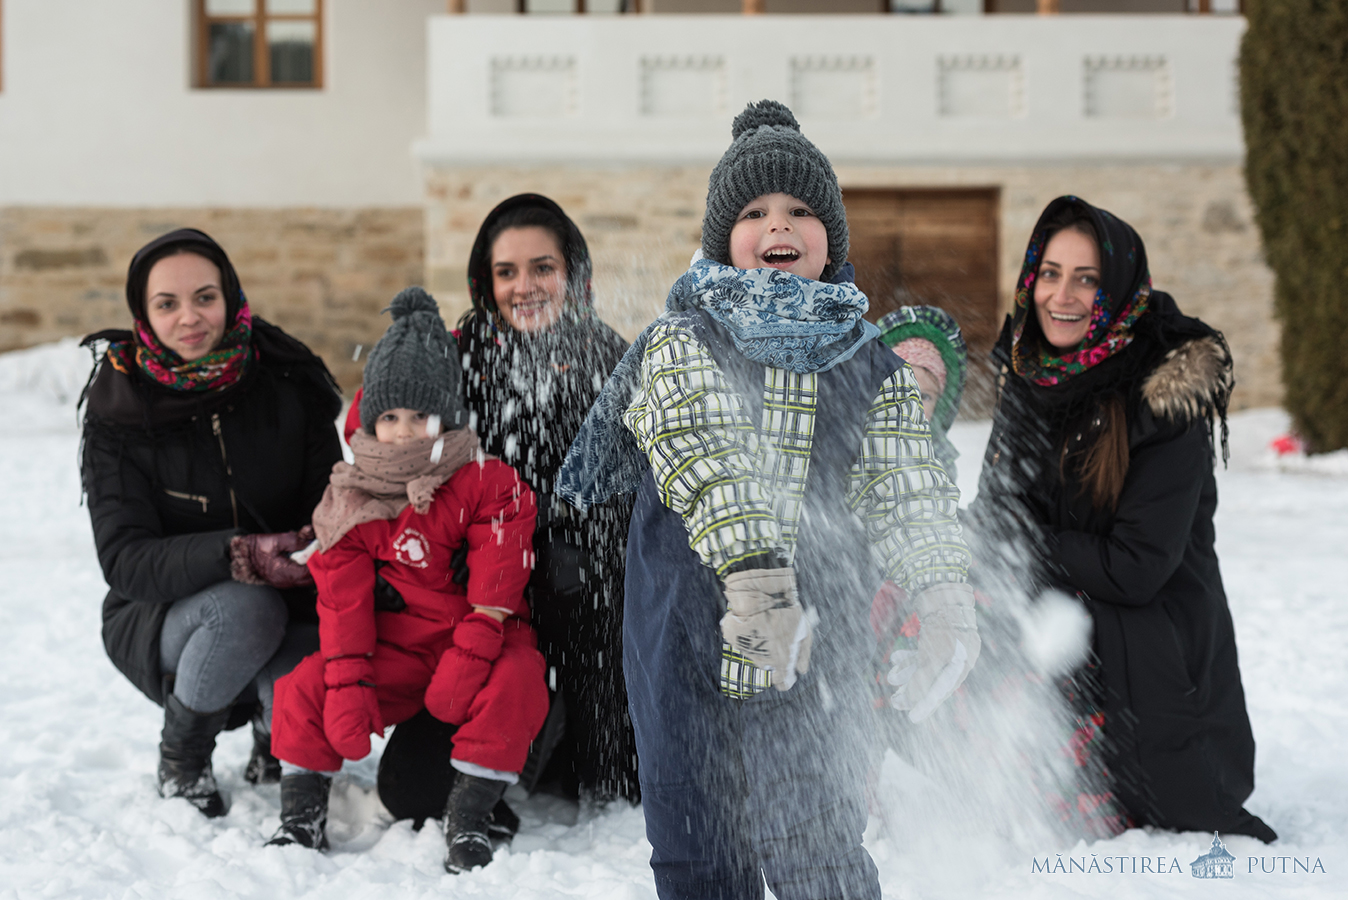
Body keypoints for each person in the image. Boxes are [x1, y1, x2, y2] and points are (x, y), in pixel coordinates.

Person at [558, 100, 978, 900]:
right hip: (688, 641)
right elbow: (702, 448)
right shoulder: (685, 340)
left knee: (819, 844)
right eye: (753, 211)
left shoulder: (868, 361)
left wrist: (943, 592)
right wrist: (754, 579)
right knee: (700, 851)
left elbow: (907, 482)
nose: (777, 224)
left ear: (833, 241)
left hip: (814, 655)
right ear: (724, 241)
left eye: (800, 210)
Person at [965, 195, 1277, 843]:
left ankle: (1086, 772)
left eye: (1088, 279)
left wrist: (1022, 545)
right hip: (1067, 608)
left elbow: (1136, 570)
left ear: (1123, 290)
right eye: (1050, 273)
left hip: (1152, 648)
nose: (1063, 296)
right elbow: (997, 510)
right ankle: (1002, 769)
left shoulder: (1163, 398)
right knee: (929, 602)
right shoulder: (1030, 371)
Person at [267, 287, 549, 873]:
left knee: (518, 678)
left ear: (446, 417)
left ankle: (471, 816)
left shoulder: (483, 479)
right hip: (402, 644)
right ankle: (300, 816)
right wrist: (347, 680)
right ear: (371, 418)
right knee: (304, 685)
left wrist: (474, 651)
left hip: (479, 638)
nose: (404, 432)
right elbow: (341, 602)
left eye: (421, 416)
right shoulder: (352, 495)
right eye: (390, 417)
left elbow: (500, 575)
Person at [375, 193, 639, 816]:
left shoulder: (612, 359)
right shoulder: (454, 361)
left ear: (573, 273)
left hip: (586, 598)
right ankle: (507, 732)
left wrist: (556, 538)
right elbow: (396, 459)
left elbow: (636, 495)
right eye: (506, 272)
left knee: (602, 783)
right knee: (413, 793)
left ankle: (579, 732)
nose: (526, 287)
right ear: (483, 281)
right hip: (471, 597)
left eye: (542, 267)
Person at [80, 228, 343, 816]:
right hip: (167, 612)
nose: (190, 318)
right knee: (245, 609)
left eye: (205, 297)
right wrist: (237, 554)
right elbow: (124, 560)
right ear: (143, 315)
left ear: (229, 295)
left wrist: (308, 551)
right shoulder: (119, 408)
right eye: (166, 304)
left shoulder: (287, 380)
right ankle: (184, 755)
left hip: (293, 590)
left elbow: (331, 504)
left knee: (300, 664)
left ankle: (276, 740)